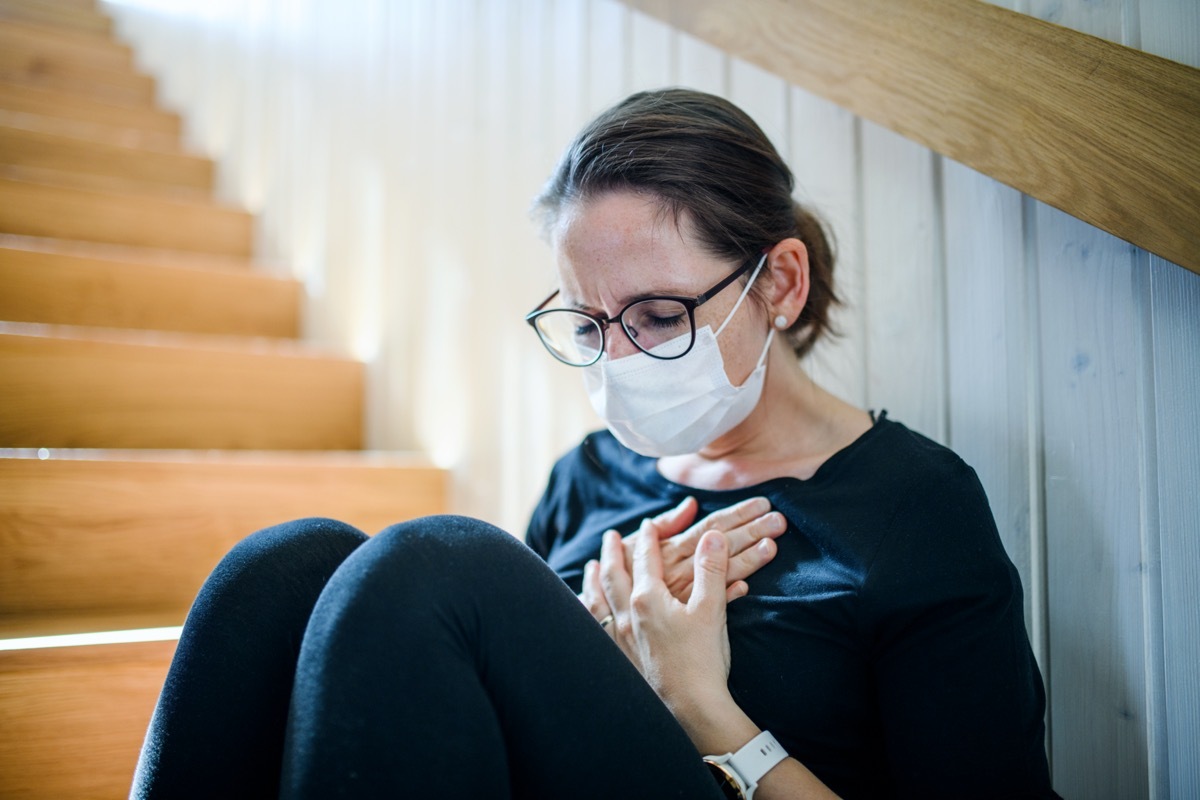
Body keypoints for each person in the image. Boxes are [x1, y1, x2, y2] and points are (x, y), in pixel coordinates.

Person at [132, 88, 1059, 799]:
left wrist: (700, 705)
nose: (618, 358)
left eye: (658, 317)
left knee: (435, 562)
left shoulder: (913, 507)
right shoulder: (587, 478)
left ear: (778, 283)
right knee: (287, 567)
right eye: (589, 323)